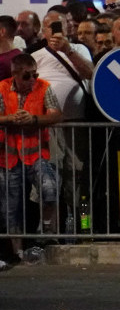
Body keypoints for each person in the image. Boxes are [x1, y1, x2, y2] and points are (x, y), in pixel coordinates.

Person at [0, 54, 62, 262]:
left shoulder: (44, 86)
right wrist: (11, 118)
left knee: (50, 189)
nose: (32, 79)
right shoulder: (2, 88)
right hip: (8, 156)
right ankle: (16, 253)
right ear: (15, 74)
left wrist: (33, 118)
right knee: (11, 207)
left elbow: (55, 114)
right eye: (27, 76)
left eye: (35, 74)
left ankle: (45, 235)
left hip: (36, 153)